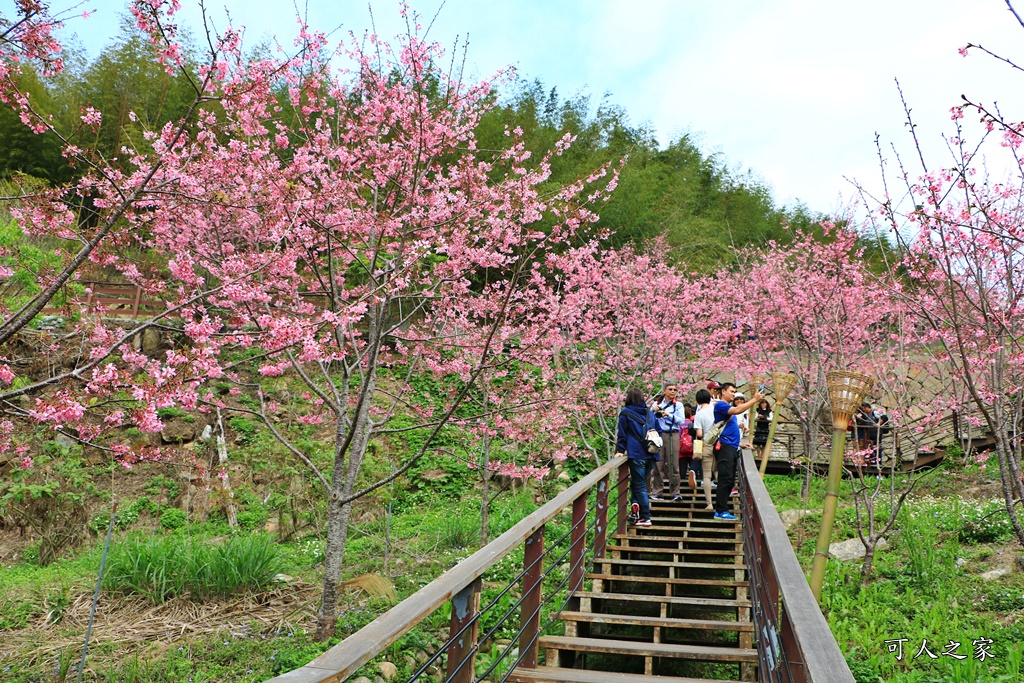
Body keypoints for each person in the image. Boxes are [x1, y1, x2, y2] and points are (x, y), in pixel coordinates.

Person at [710, 382, 763, 521]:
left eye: (735, 392)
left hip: (731, 446)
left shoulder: (727, 407)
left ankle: (722, 510)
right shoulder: (721, 405)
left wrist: (739, 443)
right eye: (731, 392)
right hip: (725, 447)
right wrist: (754, 400)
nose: (733, 394)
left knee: (729, 479)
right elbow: (737, 410)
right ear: (723, 392)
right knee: (725, 478)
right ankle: (720, 511)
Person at [614, 387, 657, 527]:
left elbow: (622, 433)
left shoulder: (626, 413)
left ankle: (646, 517)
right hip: (651, 453)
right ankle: (635, 508)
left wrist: (620, 450)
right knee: (639, 484)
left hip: (637, 453)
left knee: (640, 486)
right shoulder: (650, 414)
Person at [648, 383, 685, 501]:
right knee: (658, 464)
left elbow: (681, 421)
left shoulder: (678, 405)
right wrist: (653, 411)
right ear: (664, 391)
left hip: (673, 434)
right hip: (658, 435)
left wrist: (667, 415)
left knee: (673, 464)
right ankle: (657, 492)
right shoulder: (656, 404)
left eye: (675, 389)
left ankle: (675, 492)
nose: (673, 391)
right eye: (670, 389)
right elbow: (648, 419)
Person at [690, 389, 716, 510]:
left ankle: (709, 503)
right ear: (709, 398)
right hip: (719, 444)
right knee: (718, 472)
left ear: (698, 401)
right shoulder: (716, 410)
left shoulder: (699, 413)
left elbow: (699, 434)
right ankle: (722, 501)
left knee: (706, 475)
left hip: (707, 444)